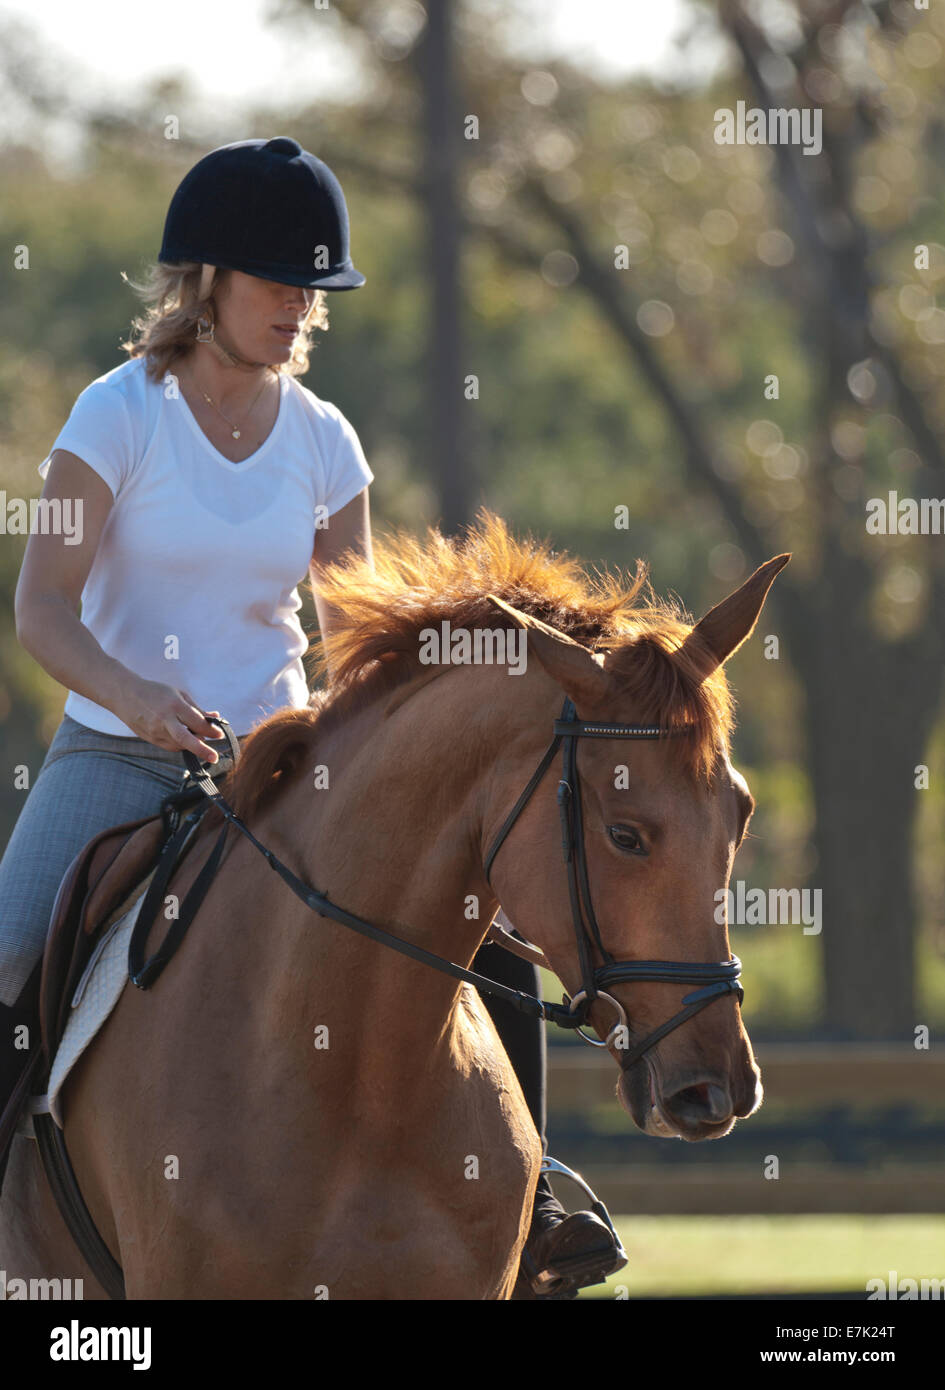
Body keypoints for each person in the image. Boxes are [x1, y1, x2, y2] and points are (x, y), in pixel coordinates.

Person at [0, 136, 619, 1296]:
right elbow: (41, 608)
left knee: (481, 935)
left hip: (284, 766)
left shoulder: (327, 442)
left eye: (314, 290)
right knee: (9, 949)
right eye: (280, 284)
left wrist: (365, 748)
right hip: (119, 753)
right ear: (208, 283)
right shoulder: (117, 413)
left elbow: (354, 649)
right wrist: (138, 700)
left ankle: (534, 1199)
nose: (299, 307)